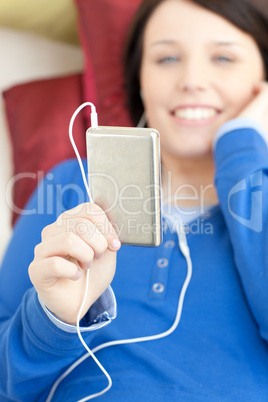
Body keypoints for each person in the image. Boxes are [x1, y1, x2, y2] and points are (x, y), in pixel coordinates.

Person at [1, 0, 268, 400]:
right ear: (139, 80)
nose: (192, 80)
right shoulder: (71, 183)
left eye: (223, 57)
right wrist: (54, 320)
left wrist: (242, 144)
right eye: (167, 58)